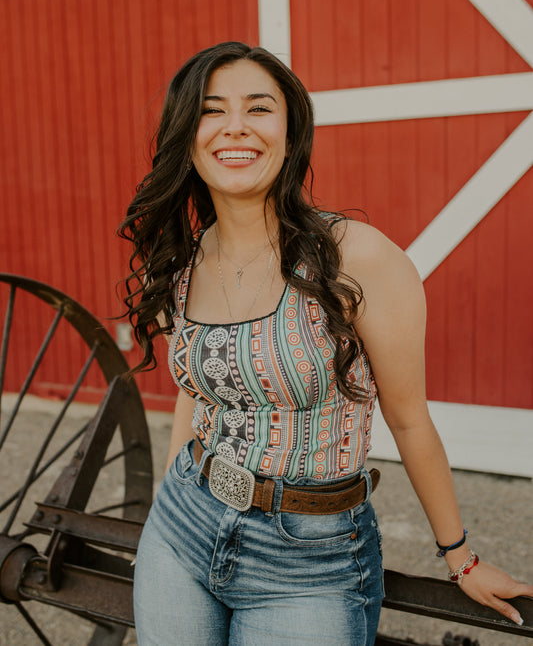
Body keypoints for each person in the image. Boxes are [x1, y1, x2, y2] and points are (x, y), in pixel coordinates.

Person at [119, 41, 532, 645]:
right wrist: (167, 505)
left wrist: (460, 556)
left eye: (259, 109)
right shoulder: (186, 258)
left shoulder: (354, 258)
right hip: (184, 526)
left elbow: (409, 418)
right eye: (213, 110)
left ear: (290, 134)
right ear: (188, 135)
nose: (236, 127)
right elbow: (197, 396)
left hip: (309, 561)